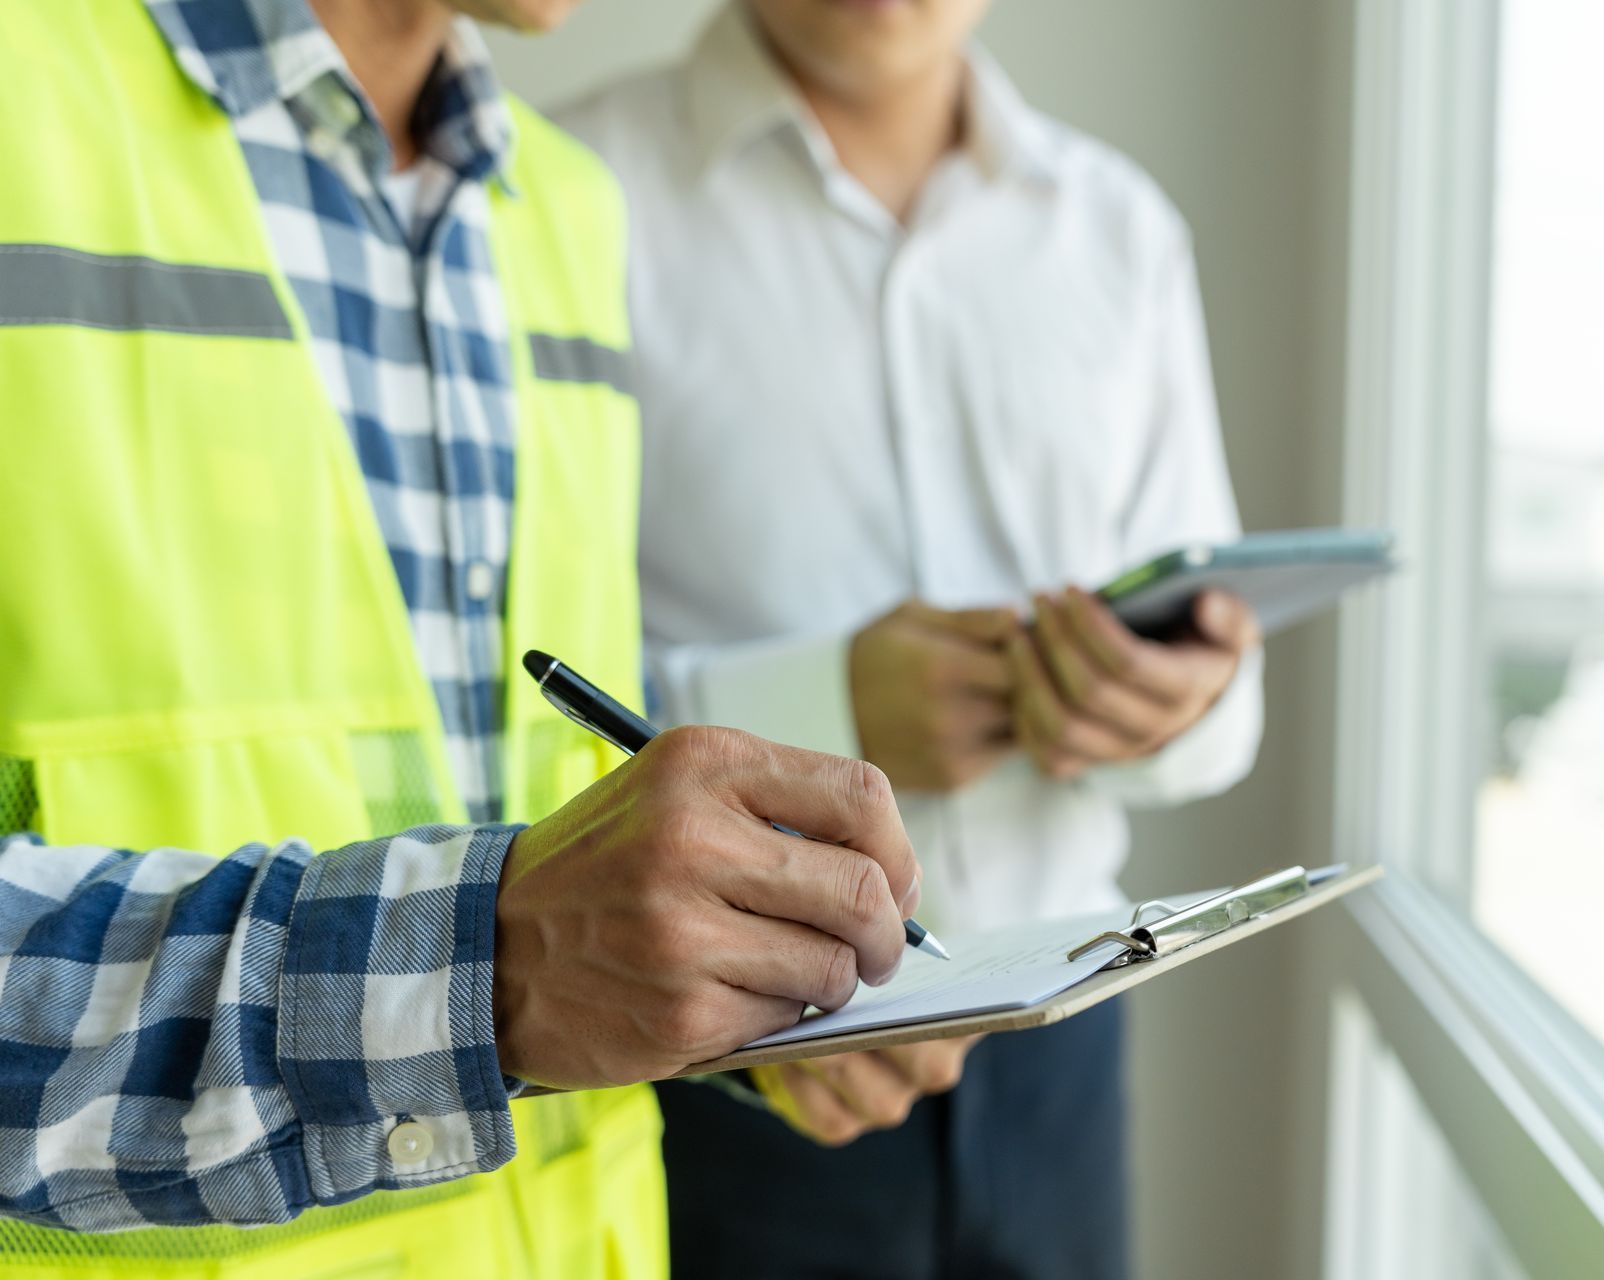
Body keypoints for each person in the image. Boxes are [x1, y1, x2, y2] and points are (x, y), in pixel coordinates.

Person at [0, 0, 930, 1275]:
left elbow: (526, 796)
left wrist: (730, 964)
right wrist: (489, 966)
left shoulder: (562, 210)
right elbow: (501, 933)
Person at [558, 1, 1264, 1274]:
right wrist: (829, 708)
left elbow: (1223, 699)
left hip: (1068, 1037)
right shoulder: (569, 199)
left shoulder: (1121, 231)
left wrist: (1172, 704)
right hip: (740, 1051)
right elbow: (508, 691)